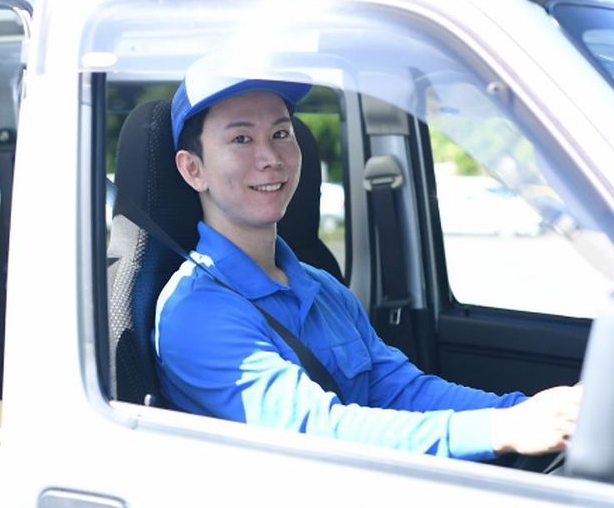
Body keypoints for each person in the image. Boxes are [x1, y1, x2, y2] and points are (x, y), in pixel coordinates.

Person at [153, 67, 582, 461]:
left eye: (281, 133)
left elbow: (400, 390)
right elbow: (314, 430)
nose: (271, 157)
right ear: (193, 170)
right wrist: (501, 429)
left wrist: (528, 411)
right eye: (242, 140)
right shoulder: (196, 312)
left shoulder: (322, 289)